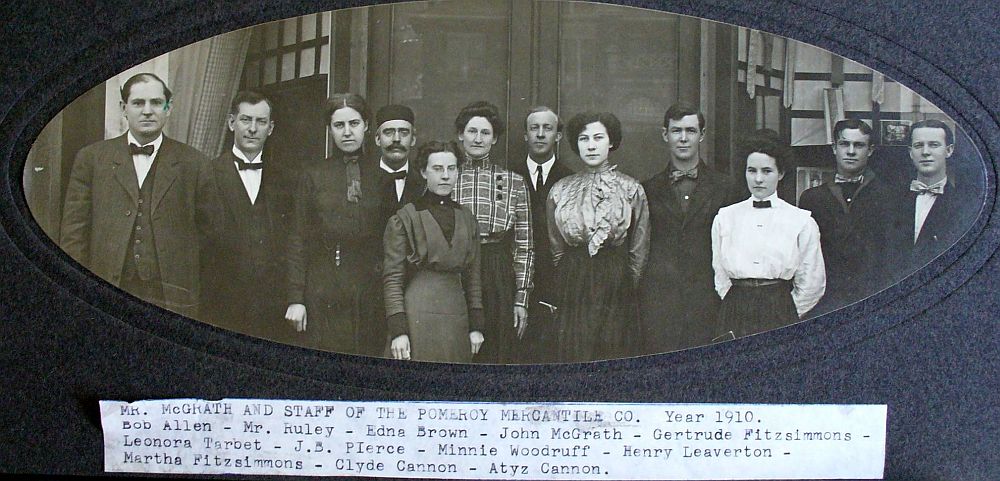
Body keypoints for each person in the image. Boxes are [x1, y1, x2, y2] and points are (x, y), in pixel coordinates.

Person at [60, 73, 208, 317]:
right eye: (138, 103)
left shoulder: (195, 163)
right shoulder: (92, 159)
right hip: (107, 288)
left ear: (168, 108)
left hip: (171, 297)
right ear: (123, 108)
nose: (147, 111)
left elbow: (209, 233)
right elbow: (74, 234)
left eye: (156, 103)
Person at [638, 103, 742, 354]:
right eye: (676, 131)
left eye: (691, 131)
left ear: (702, 135)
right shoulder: (647, 190)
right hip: (661, 305)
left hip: (708, 303)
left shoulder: (726, 188)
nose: (683, 138)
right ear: (665, 135)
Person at [547, 111, 649, 362]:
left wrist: (624, 281)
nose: (591, 145)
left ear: (611, 141)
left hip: (615, 278)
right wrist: (570, 275)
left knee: (613, 350)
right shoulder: (560, 190)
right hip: (574, 278)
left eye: (598, 138)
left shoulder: (631, 189)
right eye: (584, 139)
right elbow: (556, 246)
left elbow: (639, 246)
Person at [285, 93, 383, 355]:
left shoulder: (380, 177)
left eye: (354, 124)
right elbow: (298, 237)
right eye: (339, 126)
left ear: (366, 126)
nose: (347, 132)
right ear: (329, 130)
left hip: (369, 291)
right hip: (325, 286)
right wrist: (296, 297)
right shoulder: (313, 175)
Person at [197, 91, 294, 339]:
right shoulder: (206, 175)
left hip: (274, 309)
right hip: (220, 307)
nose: (252, 129)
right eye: (245, 120)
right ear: (231, 123)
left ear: (271, 128)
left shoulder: (286, 179)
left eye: (261, 122)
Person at [711, 131, 825, 339]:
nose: (758, 179)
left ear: (780, 173)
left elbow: (812, 283)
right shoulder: (725, 217)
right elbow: (720, 274)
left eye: (767, 171)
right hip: (735, 312)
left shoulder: (801, 221)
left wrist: (785, 313)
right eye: (751, 170)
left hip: (779, 312)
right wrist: (736, 304)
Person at [383, 141, 484, 362]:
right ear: (423, 172)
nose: (445, 176)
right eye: (437, 169)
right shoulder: (406, 217)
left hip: (457, 315)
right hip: (418, 314)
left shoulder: (468, 218)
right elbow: (393, 278)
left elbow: (473, 277)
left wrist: (476, 326)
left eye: (451, 168)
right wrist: (399, 331)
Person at [451, 101, 534, 363]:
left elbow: (525, 244)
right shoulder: (446, 175)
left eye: (485, 133)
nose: (478, 139)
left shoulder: (514, 182)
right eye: (471, 131)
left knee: (495, 350)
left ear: (494, 138)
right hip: (456, 267)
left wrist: (521, 298)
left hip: (497, 270)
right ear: (460, 135)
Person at [798, 119, 893, 314]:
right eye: (844, 144)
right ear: (834, 148)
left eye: (858, 145)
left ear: (871, 150)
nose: (850, 151)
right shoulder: (812, 198)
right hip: (824, 301)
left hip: (872, 299)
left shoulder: (887, 196)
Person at [510, 106, 572, 363]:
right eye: (534, 128)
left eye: (548, 128)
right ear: (525, 135)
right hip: (514, 281)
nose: (540, 134)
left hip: (554, 283)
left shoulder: (569, 180)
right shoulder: (510, 176)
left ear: (558, 136)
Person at [887, 119, 977, 272]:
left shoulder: (965, 205)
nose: (925, 152)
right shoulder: (890, 199)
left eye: (934, 145)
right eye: (918, 145)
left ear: (949, 150)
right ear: (910, 152)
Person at [374, 104, 424, 226]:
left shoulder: (424, 182)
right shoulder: (362, 179)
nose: (396, 139)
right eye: (388, 132)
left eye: (404, 132)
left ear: (413, 139)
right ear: (377, 139)